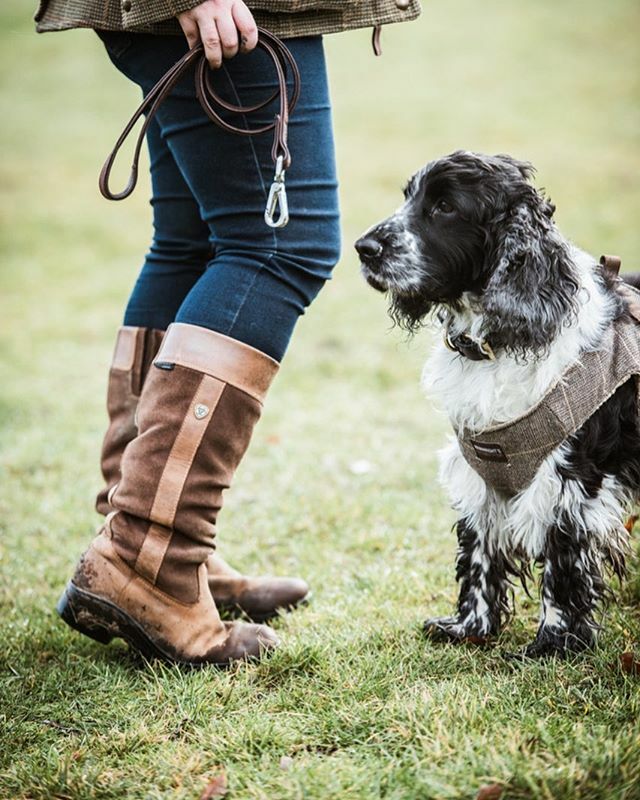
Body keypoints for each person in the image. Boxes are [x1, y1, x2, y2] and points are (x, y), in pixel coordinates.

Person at [34, 0, 421, 667]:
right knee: (279, 246)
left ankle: (155, 543)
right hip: (229, 11)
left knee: (193, 242)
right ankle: (148, 556)